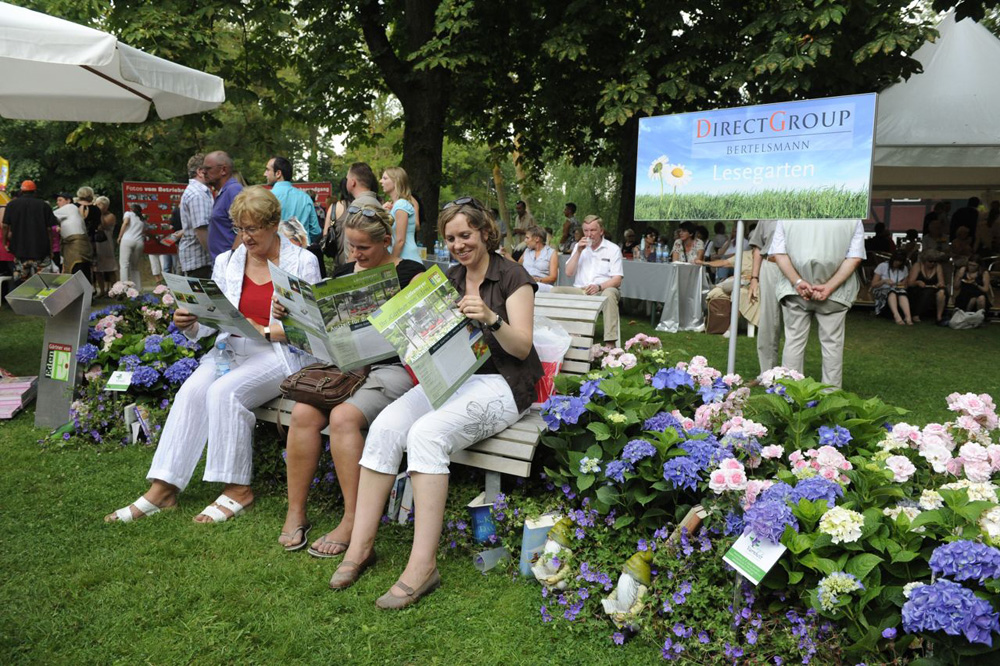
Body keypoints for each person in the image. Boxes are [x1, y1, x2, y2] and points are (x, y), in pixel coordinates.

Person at [329, 197, 542, 609]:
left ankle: (423, 567)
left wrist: (490, 318)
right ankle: (360, 546)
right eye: (451, 238)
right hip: (455, 376)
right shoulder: (448, 276)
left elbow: (522, 348)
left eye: (466, 235)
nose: (459, 244)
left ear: (484, 232)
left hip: (504, 384)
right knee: (389, 424)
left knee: (426, 434)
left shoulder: (513, 276)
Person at [105, 186, 321, 524]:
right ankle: (163, 488)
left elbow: (308, 330)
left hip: (278, 354)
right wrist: (189, 322)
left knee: (224, 392)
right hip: (230, 347)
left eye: (253, 229)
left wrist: (265, 327)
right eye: (239, 229)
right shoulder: (229, 261)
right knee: (192, 391)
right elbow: (212, 324)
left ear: (274, 224)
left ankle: (238, 488)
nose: (245, 238)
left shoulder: (302, 262)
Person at [275, 205, 424, 554]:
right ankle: (296, 511)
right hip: (345, 367)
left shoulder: (412, 273)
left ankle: (353, 519)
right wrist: (290, 313)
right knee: (302, 415)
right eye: (351, 247)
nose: (355, 254)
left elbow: (421, 330)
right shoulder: (342, 273)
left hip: (392, 368)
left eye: (364, 248)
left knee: (343, 418)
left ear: (386, 241)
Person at [771, 219, 866, 388]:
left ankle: (790, 394)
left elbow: (779, 254)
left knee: (793, 341)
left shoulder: (787, 216)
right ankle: (831, 397)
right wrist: (829, 286)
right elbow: (855, 258)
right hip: (835, 291)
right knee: (832, 346)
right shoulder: (853, 217)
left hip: (795, 290)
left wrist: (797, 281)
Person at [558, 214, 623, 344]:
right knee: (555, 291)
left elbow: (617, 279)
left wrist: (598, 287)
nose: (589, 234)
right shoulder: (579, 247)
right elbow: (568, 272)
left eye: (593, 230)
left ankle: (610, 343)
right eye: (586, 231)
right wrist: (578, 252)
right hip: (581, 290)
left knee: (610, 293)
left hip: (602, 290)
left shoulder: (613, 249)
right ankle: (559, 337)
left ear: (601, 231)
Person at [2, 180, 55, 282]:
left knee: (20, 281)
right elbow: (49, 229)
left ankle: (21, 297)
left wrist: (5, 243)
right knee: (43, 281)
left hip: (19, 250)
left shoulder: (11, 205)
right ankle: (40, 297)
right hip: (41, 250)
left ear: (21, 191)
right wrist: (51, 249)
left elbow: (5, 226)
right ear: (35, 191)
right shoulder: (44, 205)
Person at [748, 220, 782, 373]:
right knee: (768, 322)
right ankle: (767, 373)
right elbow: (757, 247)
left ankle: (793, 376)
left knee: (796, 324)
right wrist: (754, 278)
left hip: (797, 266)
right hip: (771, 265)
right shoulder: (767, 215)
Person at [264, 156, 322, 244]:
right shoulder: (305, 198)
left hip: (276, 252)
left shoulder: (266, 198)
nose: (265, 174)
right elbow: (316, 231)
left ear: (278, 173)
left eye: (268, 170)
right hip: (301, 251)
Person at [178, 154, 214, 278]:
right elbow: (201, 230)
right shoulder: (198, 195)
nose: (213, 172)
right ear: (200, 171)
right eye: (209, 169)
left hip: (196, 259)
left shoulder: (197, 191)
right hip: (199, 260)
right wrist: (215, 255)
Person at [203, 150, 243, 259]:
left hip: (229, 266)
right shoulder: (223, 192)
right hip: (221, 265)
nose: (203, 172)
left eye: (208, 168)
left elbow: (244, 230)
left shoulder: (233, 190)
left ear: (223, 170)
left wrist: (231, 261)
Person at [380, 167, 421, 262]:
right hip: (400, 257)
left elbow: (400, 241)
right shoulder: (394, 205)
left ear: (396, 181)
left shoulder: (401, 204)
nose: (381, 181)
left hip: (406, 258)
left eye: (385, 178)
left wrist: (389, 263)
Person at [54, 192, 93, 277]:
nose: (57, 203)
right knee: (80, 269)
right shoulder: (70, 211)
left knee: (77, 269)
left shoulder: (70, 207)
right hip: (73, 245)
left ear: (68, 201)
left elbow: (49, 216)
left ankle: (80, 289)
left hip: (76, 245)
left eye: (60, 200)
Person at [870, 250, 912, 324]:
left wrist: (899, 284)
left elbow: (905, 285)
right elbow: (873, 284)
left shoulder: (904, 268)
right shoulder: (882, 266)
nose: (897, 263)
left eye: (900, 262)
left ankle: (908, 317)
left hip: (897, 289)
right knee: (892, 293)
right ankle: (897, 316)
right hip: (882, 289)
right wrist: (884, 281)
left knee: (902, 294)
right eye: (896, 261)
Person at [907, 250, 947, 325]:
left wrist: (939, 284)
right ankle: (916, 314)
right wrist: (917, 282)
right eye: (930, 261)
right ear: (924, 261)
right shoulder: (917, 265)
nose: (933, 263)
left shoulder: (938, 266)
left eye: (935, 261)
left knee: (942, 292)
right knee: (926, 292)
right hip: (918, 289)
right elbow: (910, 283)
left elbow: (942, 282)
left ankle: (939, 317)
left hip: (933, 288)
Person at [93, 196, 120, 293]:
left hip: (106, 245)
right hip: (97, 244)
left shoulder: (111, 216)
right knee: (97, 270)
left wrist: (99, 213)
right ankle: (102, 291)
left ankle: (115, 290)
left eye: (99, 204)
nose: (97, 206)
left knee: (110, 268)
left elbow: (103, 226)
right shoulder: (94, 215)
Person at [519, 225, 558, 291]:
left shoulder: (551, 253)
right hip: (526, 283)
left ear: (537, 239)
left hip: (542, 284)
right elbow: (517, 267)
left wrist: (537, 280)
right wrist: (506, 255)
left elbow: (553, 277)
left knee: (528, 287)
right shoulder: (526, 251)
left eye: (527, 238)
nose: (525, 241)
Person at [118, 204, 147, 289]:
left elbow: (126, 223)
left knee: (124, 265)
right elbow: (144, 232)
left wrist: (120, 236)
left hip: (127, 240)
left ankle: (124, 288)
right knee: (134, 266)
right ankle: (137, 288)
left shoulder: (128, 214)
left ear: (132, 209)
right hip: (139, 242)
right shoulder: (142, 219)